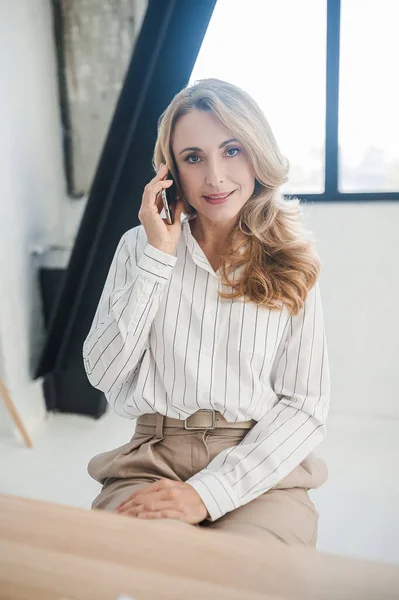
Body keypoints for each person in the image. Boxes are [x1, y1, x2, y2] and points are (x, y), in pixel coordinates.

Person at [83, 78, 329, 547]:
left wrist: (208, 493)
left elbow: (305, 406)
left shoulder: (294, 259)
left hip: (257, 462)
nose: (215, 177)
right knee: (144, 569)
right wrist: (158, 256)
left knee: (244, 578)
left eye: (232, 150)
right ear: (169, 170)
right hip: (152, 456)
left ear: (258, 153)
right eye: (194, 157)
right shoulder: (138, 249)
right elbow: (103, 373)